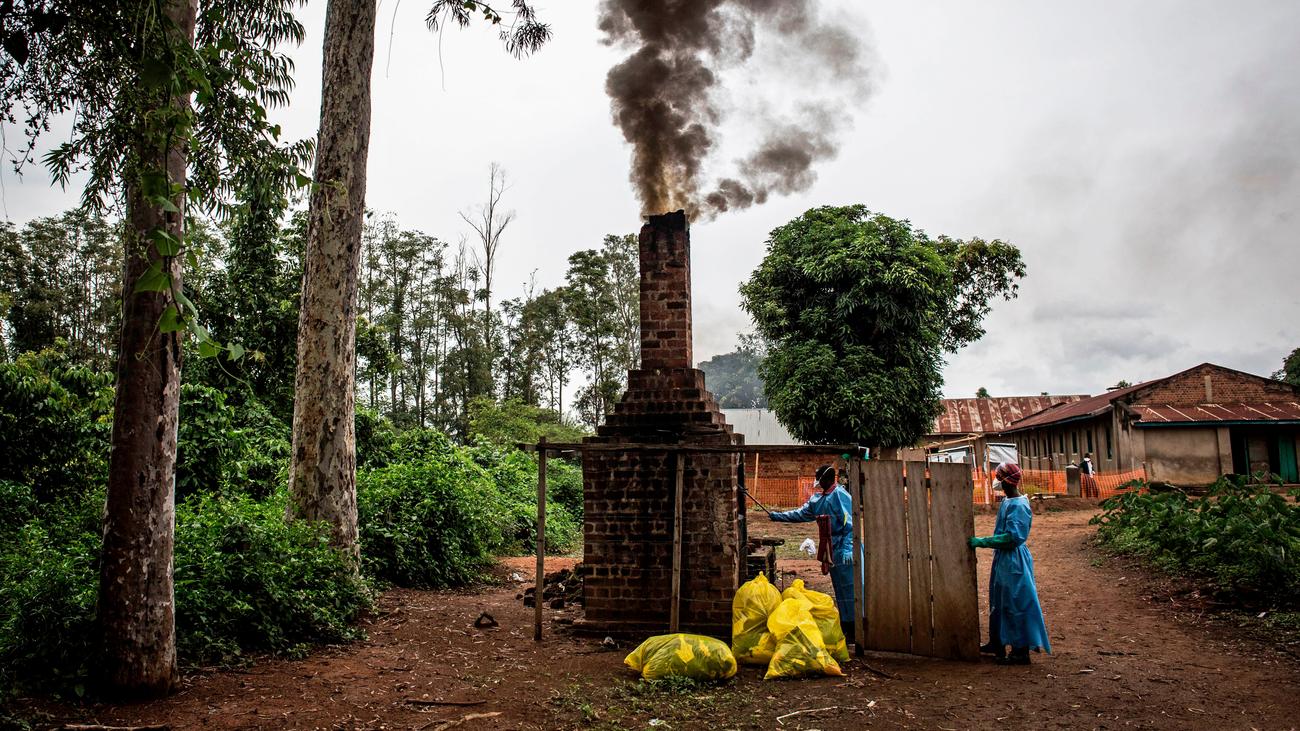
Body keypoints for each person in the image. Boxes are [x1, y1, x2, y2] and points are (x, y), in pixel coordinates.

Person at [969, 461, 1051, 665]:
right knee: (999, 601)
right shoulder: (1008, 501)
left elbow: (1013, 538)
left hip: (1014, 560)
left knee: (1017, 602)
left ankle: (1020, 651)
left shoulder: (1019, 505)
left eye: (998, 478)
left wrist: (983, 542)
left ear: (1006, 481)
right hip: (1004, 560)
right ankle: (997, 642)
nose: (996, 482)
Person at [769, 464, 855, 641]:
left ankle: (857, 626)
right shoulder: (818, 500)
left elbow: (850, 523)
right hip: (830, 547)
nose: (819, 484)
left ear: (829, 479)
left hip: (845, 547)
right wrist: (779, 516)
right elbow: (801, 514)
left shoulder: (841, 495)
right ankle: (846, 625)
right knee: (839, 585)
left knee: (851, 586)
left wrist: (848, 547)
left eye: (821, 480)